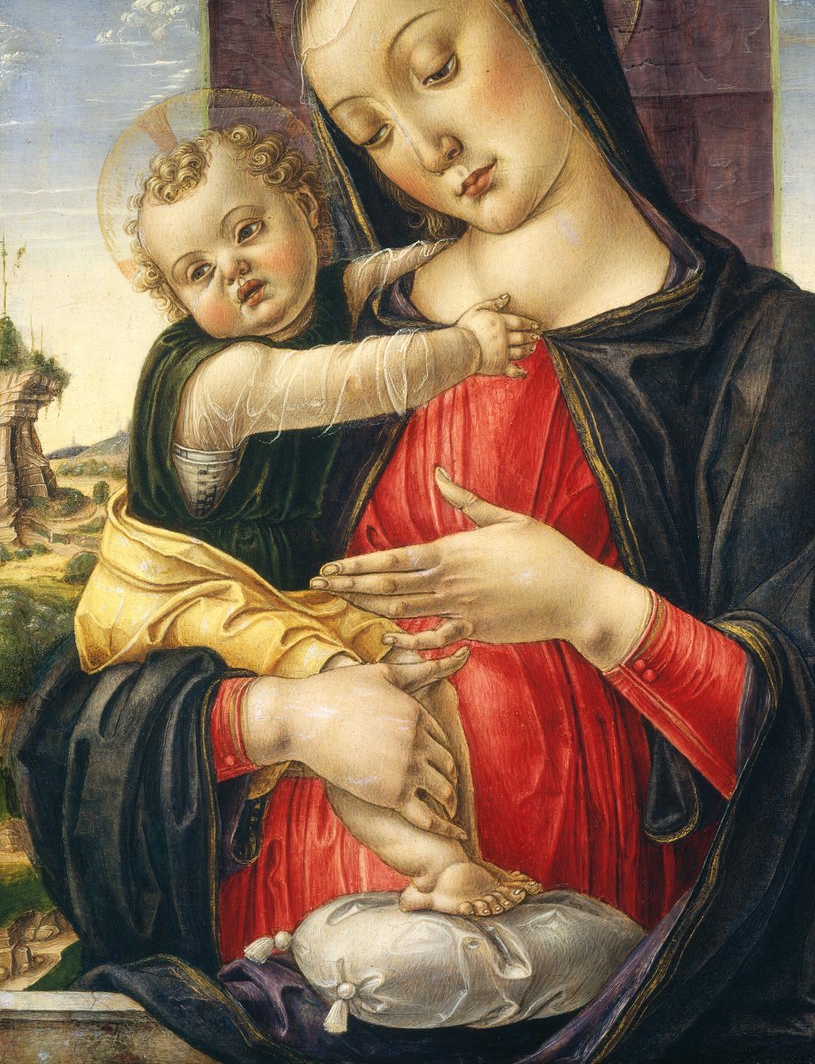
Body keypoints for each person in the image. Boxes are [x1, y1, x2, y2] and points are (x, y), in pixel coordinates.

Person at [11, 0, 815, 1064]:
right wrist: (277, 714)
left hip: (631, 1010)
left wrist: (597, 609)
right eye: (371, 131)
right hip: (305, 997)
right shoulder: (327, 351)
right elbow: (91, 712)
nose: (427, 145)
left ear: (542, 17)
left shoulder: (777, 358)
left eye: (437, 67)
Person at [76, 113, 540, 918]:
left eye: (246, 232)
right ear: (175, 299)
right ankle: (434, 865)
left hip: (279, 584)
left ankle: (455, 858)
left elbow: (388, 271)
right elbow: (355, 380)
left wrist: (462, 248)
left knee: (413, 671)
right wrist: (468, 347)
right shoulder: (221, 378)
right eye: (197, 271)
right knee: (350, 696)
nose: (233, 271)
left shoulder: (327, 293)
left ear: (309, 213)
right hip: (187, 588)